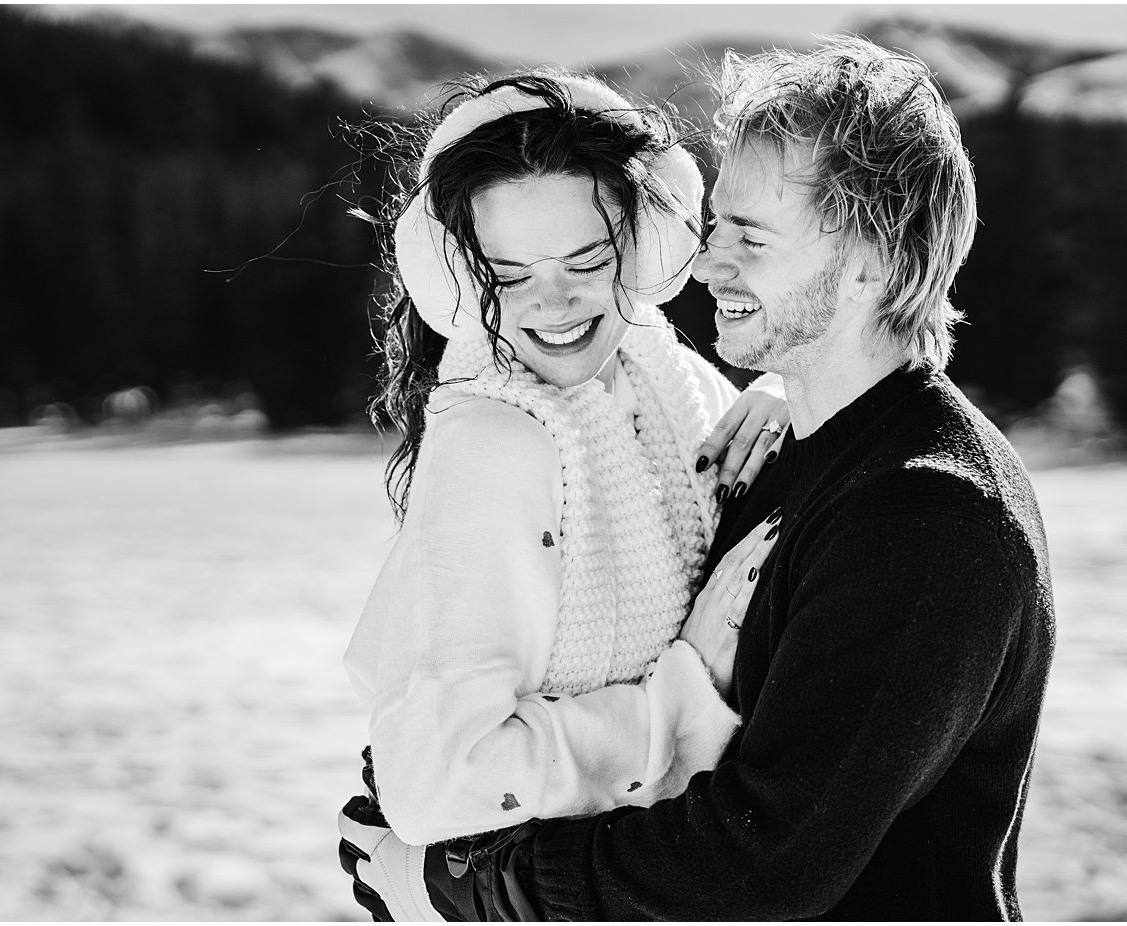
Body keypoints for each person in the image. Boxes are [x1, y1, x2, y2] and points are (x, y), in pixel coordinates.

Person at [340, 35, 1057, 921]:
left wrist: (482, 889)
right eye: (716, 225)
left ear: (872, 261)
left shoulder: (931, 518)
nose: (706, 264)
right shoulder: (780, 446)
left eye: (750, 237)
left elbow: (760, 863)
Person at [333, 70, 796, 919]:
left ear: (644, 243)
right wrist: (680, 706)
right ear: (467, 280)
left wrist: (791, 394)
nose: (555, 304)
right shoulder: (497, 445)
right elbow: (440, 784)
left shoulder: (663, 376)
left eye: (588, 259)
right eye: (510, 274)